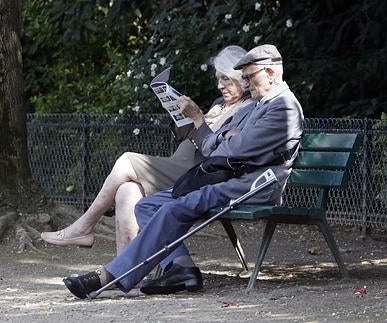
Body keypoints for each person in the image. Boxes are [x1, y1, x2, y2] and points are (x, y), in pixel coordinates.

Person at [62, 44, 305, 299]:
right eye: (242, 77)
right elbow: (223, 145)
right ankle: (181, 267)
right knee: (148, 206)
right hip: (229, 178)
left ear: (269, 72)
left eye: (248, 76)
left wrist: (226, 139)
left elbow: (232, 150)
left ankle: (110, 275)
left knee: (172, 207)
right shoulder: (261, 103)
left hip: (251, 186)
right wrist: (226, 136)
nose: (245, 81)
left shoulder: (283, 107)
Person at [41, 45, 253, 254]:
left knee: (126, 160)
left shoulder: (248, 108)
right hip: (179, 165)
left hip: (197, 172)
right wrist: (177, 113)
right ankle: (124, 272)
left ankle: (84, 226)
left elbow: (218, 150)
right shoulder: (220, 104)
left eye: (225, 78)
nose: (220, 85)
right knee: (126, 192)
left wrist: (198, 117)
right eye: (218, 79)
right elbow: (192, 135)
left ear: (241, 78)